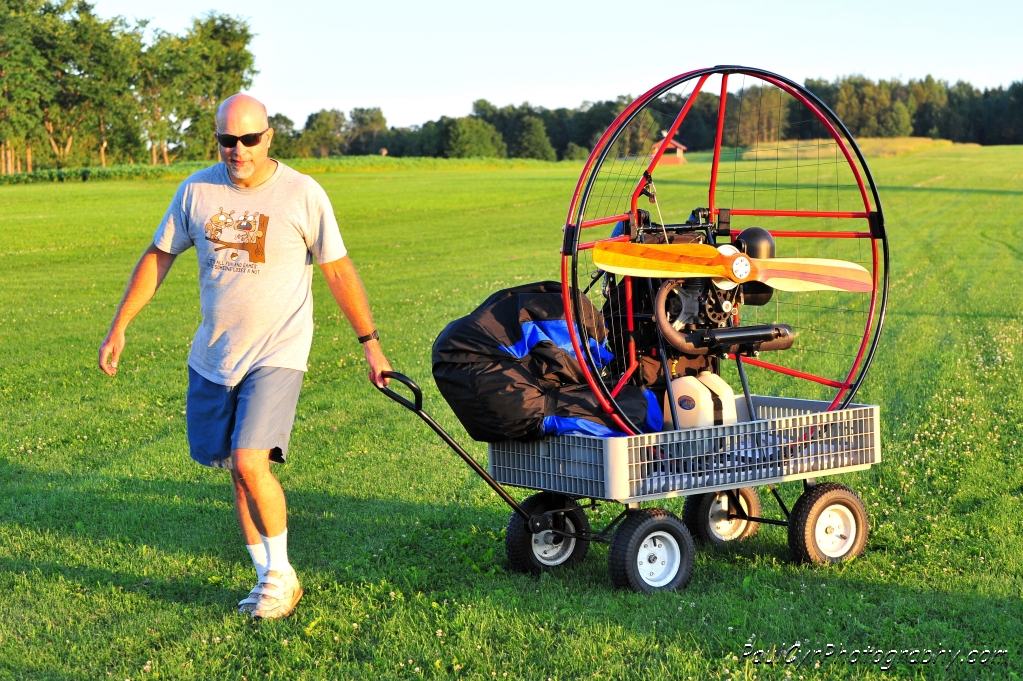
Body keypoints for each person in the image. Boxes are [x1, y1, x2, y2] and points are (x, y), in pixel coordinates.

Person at [98, 94, 391, 620]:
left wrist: (370, 343)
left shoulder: (302, 193)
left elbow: (338, 270)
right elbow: (158, 255)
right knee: (236, 468)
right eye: (227, 140)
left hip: (279, 350)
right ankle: (265, 579)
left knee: (253, 461)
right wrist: (120, 325)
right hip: (215, 355)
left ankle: (282, 576)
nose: (238, 150)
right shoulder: (196, 190)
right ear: (217, 138)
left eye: (249, 139)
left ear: (269, 137)